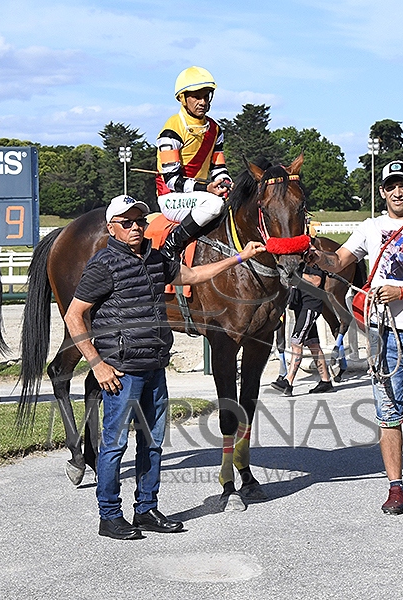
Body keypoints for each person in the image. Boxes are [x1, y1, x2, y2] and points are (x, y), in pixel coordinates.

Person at [63, 194, 265, 540]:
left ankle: (146, 509)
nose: (136, 227)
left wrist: (239, 257)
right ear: (111, 228)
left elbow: (193, 275)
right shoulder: (102, 265)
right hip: (121, 370)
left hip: (155, 366)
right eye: (127, 222)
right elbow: (73, 316)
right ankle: (109, 516)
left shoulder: (156, 258)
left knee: (152, 443)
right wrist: (97, 364)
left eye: (140, 221)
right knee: (114, 446)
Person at [304, 160, 403, 521]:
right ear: (382, 191)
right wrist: (314, 255)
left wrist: (401, 293)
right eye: (391, 186)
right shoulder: (370, 228)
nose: (397, 192)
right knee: (388, 416)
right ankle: (395, 487)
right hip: (380, 333)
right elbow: (338, 260)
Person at [155, 66, 231, 260]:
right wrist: (207, 188)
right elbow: (172, 180)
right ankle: (173, 243)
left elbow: (219, 168)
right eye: (196, 97)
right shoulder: (171, 129)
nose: (203, 102)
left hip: (200, 195)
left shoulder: (215, 129)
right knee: (214, 205)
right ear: (183, 98)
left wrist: (226, 184)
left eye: (206, 96)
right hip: (171, 197)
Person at [270, 263, 334, 397]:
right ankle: (326, 381)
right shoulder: (301, 261)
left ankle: (288, 381)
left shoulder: (315, 260)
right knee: (313, 343)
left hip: (310, 305)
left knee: (296, 342)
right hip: (301, 305)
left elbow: (316, 281)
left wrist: (296, 274)